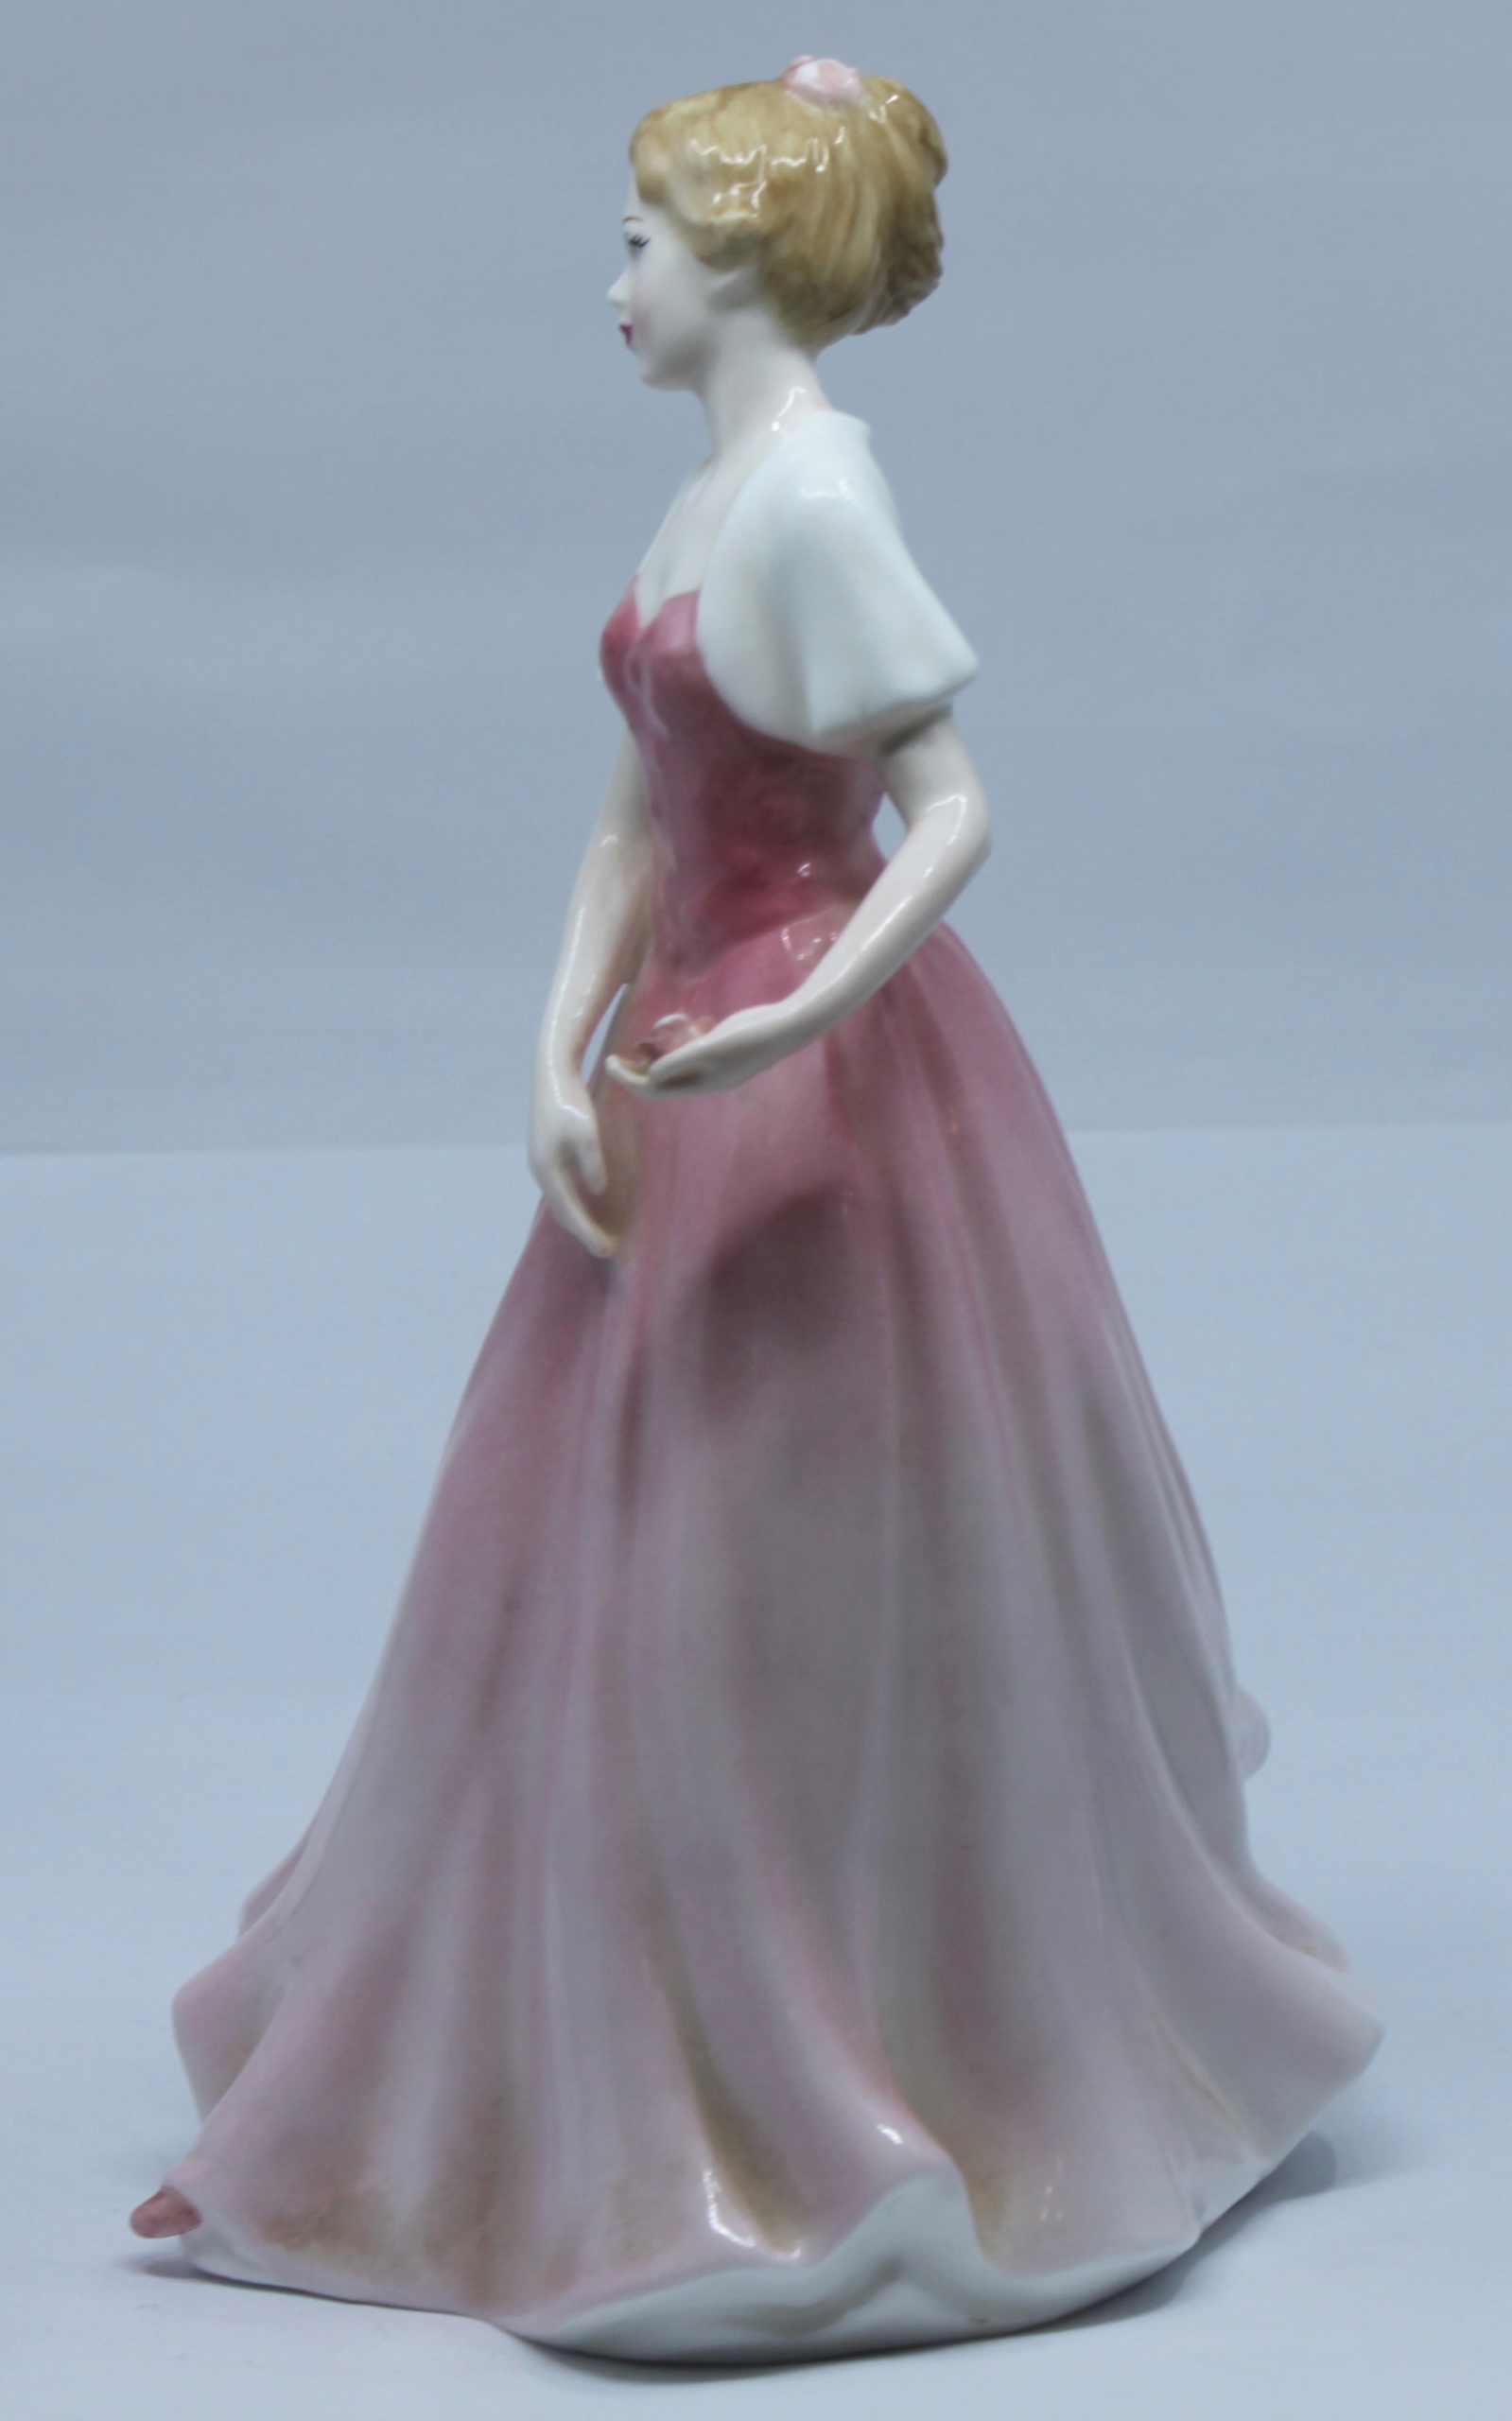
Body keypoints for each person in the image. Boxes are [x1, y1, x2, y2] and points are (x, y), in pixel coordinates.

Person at [130, 59, 1381, 2361]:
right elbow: (634, 808)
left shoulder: (813, 493)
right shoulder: (709, 488)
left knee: (763, 1573)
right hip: (679, 1056)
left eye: (640, 242)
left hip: (809, 1097)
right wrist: (553, 1034)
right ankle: (578, 2068)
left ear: (743, 260)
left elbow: (949, 803)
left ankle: (825, 2065)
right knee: (580, 1572)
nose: (612, 282)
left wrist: (801, 1009)